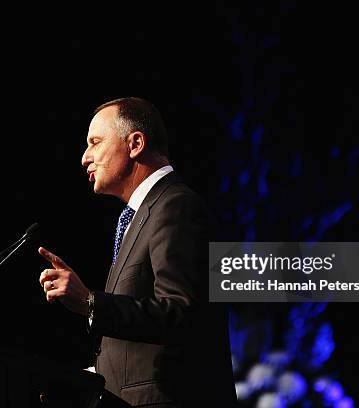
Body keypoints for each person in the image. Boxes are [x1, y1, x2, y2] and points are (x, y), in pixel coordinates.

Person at [38, 97, 236, 407]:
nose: (84, 157)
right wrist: (84, 379)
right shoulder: (140, 215)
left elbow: (182, 313)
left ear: (136, 144)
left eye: (95, 142)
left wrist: (91, 303)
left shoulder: (176, 206)